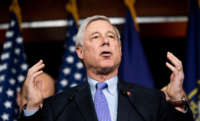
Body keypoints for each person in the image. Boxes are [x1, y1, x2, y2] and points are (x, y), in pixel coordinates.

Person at [20, 15, 194, 121]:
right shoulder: (57, 106)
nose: (105, 41)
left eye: (111, 36)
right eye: (96, 37)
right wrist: (33, 107)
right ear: (80, 51)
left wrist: (177, 99)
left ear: (119, 49)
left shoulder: (151, 100)